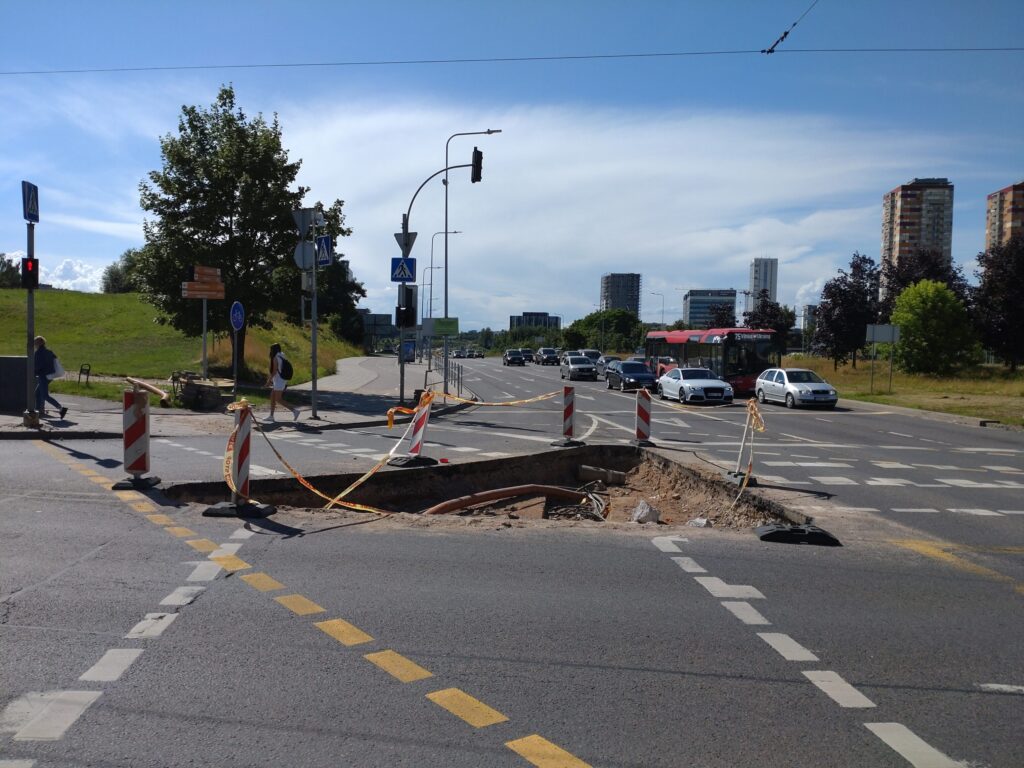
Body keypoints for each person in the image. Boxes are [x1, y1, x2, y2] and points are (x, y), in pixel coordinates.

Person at [33, 336, 68, 420]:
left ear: (38, 343)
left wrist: (34, 372)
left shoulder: (38, 353)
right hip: (50, 376)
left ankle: (61, 409)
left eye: (35, 342)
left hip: (43, 376)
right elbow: (54, 359)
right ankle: (38, 411)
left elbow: (38, 366)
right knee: (37, 393)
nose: (34, 344)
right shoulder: (49, 351)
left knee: (45, 396)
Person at [266, 343, 299, 421]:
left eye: (271, 350)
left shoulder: (275, 358)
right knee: (272, 396)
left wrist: (268, 381)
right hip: (281, 379)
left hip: (279, 381)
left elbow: (274, 371)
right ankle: (271, 416)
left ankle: (295, 411)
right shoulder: (282, 354)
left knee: (278, 399)